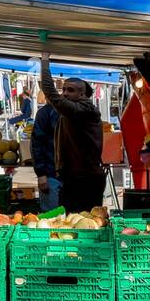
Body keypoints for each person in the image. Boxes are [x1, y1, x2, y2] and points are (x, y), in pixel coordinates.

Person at [39, 52, 106, 211]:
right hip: (77, 176)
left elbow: (50, 92)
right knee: (77, 220)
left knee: (81, 221)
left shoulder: (80, 110)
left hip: (84, 179)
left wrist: (45, 60)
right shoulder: (77, 109)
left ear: (82, 94)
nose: (65, 94)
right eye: (64, 90)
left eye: (70, 90)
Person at [30, 89, 62, 212]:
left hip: (69, 175)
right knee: (51, 217)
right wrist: (41, 173)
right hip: (50, 173)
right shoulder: (45, 113)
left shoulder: (72, 112)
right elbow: (36, 143)